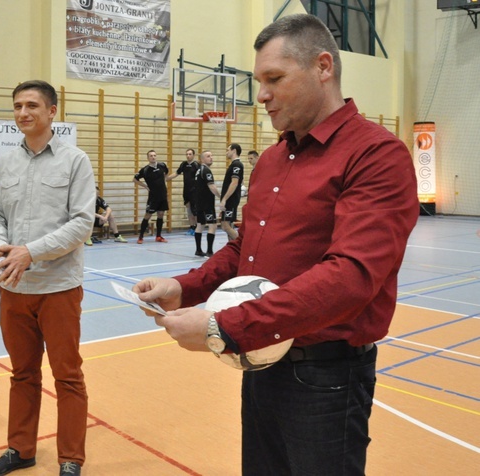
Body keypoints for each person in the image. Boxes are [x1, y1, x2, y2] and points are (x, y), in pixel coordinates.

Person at [133, 13, 418, 475]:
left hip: (326, 377)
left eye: (274, 79)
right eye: (259, 80)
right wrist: (184, 286)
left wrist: (223, 328)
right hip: (261, 362)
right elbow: (245, 252)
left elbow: (351, 277)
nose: (261, 94)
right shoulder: (271, 158)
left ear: (323, 67)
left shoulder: (376, 154)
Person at [0, 80, 94, 476]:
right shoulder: (6, 163)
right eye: (17, 106)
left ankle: (70, 460)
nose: (23, 113)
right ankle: (20, 449)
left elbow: (82, 223)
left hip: (58, 287)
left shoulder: (75, 160)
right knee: (22, 374)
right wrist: (0, 245)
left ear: (52, 112)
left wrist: (31, 251)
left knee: (68, 376)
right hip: (14, 288)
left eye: (31, 105)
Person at [133, 150, 169, 244]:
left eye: (154, 155)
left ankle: (158, 236)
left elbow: (166, 173)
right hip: (153, 197)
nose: (153, 157)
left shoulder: (162, 165)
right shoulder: (145, 170)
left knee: (161, 215)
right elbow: (135, 179)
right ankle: (140, 237)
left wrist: (163, 182)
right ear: (148, 158)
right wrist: (145, 186)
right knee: (148, 215)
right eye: (151, 156)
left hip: (163, 195)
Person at [192, 151, 221, 257]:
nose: (211, 158)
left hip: (199, 203)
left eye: (211, 156)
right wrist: (221, 197)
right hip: (207, 204)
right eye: (208, 156)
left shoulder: (199, 170)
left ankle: (198, 250)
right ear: (202, 159)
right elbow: (212, 186)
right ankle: (209, 251)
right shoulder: (206, 170)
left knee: (200, 225)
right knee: (212, 225)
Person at [167, 148, 200, 236]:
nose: (188, 156)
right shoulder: (183, 164)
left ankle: (197, 228)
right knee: (188, 210)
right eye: (187, 154)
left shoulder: (197, 165)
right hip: (186, 190)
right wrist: (167, 178)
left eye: (190, 154)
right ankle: (191, 227)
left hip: (195, 191)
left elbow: (201, 177)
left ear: (193, 155)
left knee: (195, 211)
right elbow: (177, 173)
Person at [219, 143, 244, 240]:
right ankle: (233, 250)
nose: (226, 152)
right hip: (230, 199)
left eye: (228, 150)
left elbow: (234, 183)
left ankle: (242, 245)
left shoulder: (237, 165)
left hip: (231, 200)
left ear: (234, 151)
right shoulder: (233, 165)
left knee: (225, 226)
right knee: (228, 225)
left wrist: (224, 199)